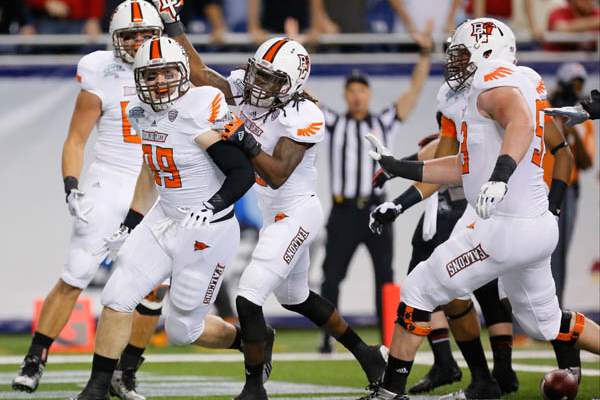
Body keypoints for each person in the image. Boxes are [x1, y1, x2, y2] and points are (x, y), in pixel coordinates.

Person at [149, 2, 388, 399]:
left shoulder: (304, 113)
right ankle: (368, 356)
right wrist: (172, 23)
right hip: (271, 211)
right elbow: (199, 75)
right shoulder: (248, 85)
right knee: (296, 297)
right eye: (258, 72)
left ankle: (254, 386)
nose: (259, 84)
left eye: (271, 79)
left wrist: (242, 135)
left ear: (293, 85)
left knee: (248, 295)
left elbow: (277, 172)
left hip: (296, 210)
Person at [361, 17, 600, 399]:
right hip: (535, 227)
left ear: (487, 53)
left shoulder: (492, 83)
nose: (455, 63)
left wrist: (502, 175)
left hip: (505, 226)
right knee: (545, 323)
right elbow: (463, 165)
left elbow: (520, 122)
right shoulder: (516, 81)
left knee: (419, 289)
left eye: (461, 54)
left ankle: (388, 393)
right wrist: (398, 167)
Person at [71, 35, 258, 400]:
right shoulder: (140, 112)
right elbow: (150, 172)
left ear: (183, 72)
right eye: (151, 75)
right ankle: (96, 388)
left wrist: (211, 204)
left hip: (208, 228)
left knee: (182, 330)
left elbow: (242, 174)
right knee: (117, 295)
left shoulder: (198, 108)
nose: (159, 82)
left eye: (167, 72)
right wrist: (129, 224)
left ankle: (251, 342)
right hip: (165, 220)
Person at [12, 2, 165, 396]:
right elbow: (76, 138)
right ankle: (35, 358)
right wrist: (71, 186)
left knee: (153, 289)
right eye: (129, 35)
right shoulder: (102, 69)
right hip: (111, 180)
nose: (137, 42)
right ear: (116, 39)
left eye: (145, 33)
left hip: (154, 188)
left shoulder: (172, 67)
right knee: (75, 274)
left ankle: (125, 372)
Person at [318, 40, 431, 352]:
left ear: (368, 94)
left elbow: (413, 93)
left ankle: (386, 338)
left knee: (384, 276)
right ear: (345, 95)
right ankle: (327, 338)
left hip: (376, 210)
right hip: (342, 212)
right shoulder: (333, 122)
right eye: (352, 90)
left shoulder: (383, 122)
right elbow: (304, 99)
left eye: (362, 90)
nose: (357, 95)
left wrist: (424, 55)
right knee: (331, 277)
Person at [543, 62, 595, 306]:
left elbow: (586, 162)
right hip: (538, 186)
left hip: (566, 189)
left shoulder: (583, 113)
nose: (575, 89)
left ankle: (555, 307)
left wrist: (571, 131)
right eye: (572, 84)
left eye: (579, 85)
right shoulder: (544, 108)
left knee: (558, 251)